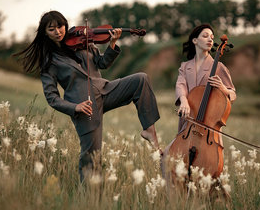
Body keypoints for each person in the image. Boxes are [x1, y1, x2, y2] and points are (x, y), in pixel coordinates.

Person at [15, 10, 160, 182]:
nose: (58, 31)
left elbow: (102, 63)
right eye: (51, 29)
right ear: (45, 33)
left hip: (105, 90)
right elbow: (52, 98)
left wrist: (112, 44)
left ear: (65, 25)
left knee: (141, 79)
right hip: (84, 107)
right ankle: (91, 196)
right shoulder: (49, 62)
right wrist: (75, 107)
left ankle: (149, 130)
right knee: (91, 156)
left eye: (60, 26)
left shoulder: (83, 42)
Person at [161, 24, 236, 181]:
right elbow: (180, 85)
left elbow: (233, 94)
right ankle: (175, 202)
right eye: (205, 36)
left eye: (212, 37)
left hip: (208, 132)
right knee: (167, 158)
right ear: (195, 40)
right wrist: (184, 101)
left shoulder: (219, 67)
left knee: (208, 179)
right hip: (188, 125)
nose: (210, 39)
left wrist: (223, 88)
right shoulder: (185, 67)